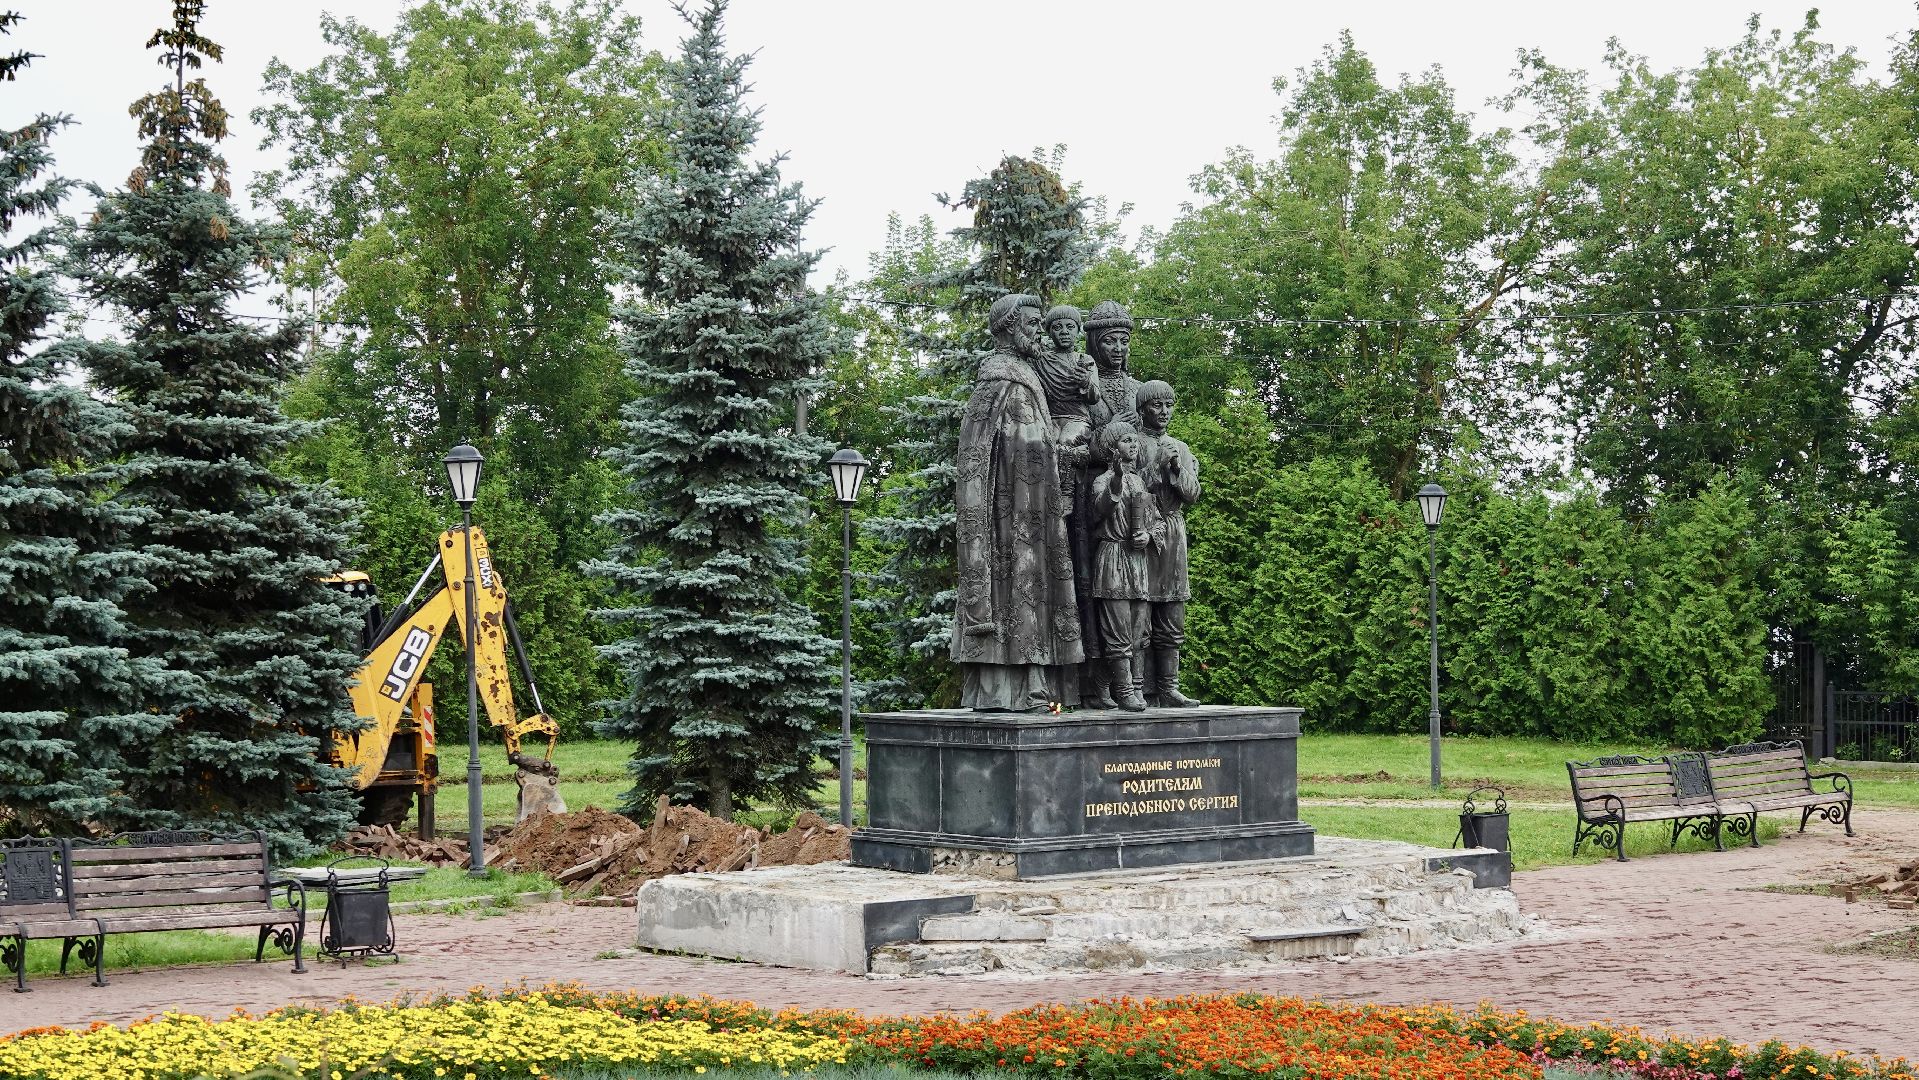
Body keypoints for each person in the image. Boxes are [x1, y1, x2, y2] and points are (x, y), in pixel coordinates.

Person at [951, 293, 1084, 711]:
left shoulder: (1027, 379)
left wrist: (1066, 455)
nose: (1038, 331)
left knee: (1034, 590)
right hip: (1004, 513)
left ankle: (1033, 684)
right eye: (1030, 323)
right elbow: (974, 458)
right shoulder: (997, 381)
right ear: (1008, 326)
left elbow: (1036, 444)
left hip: (1036, 509)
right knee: (1010, 589)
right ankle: (1001, 689)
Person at [1074, 300, 1143, 708]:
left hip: (1134, 497)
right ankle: (1097, 684)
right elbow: (1085, 437)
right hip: (1093, 491)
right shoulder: (1083, 383)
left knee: (1136, 604)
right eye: (1110, 341)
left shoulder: (1137, 390)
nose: (1118, 348)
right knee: (1094, 594)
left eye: (1123, 341)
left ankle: (1139, 683)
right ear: (1096, 344)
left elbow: (1138, 439)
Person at [1134, 380, 1202, 707]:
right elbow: (1131, 490)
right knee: (1139, 611)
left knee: (1173, 612)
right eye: (1156, 406)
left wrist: (1176, 468)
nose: (1163, 412)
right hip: (1142, 531)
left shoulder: (1181, 447)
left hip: (1173, 533)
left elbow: (1192, 494)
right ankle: (1135, 688)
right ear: (1142, 409)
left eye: (1168, 406)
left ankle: (1168, 687)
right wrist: (1156, 464)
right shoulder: (1132, 444)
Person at [1086, 420, 1162, 712]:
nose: (1133, 444)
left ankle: (1115, 685)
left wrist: (1148, 535)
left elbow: (1155, 520)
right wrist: (1116, 478)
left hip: (1137, 561)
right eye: (1126, 440)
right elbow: (1100, 509)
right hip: (1113, 559)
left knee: (1139, 633)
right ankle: (1125, 691)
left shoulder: (1140, 482)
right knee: (1118, 631)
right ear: (1111, 447)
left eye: (1134, 439)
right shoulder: (1103, 481)